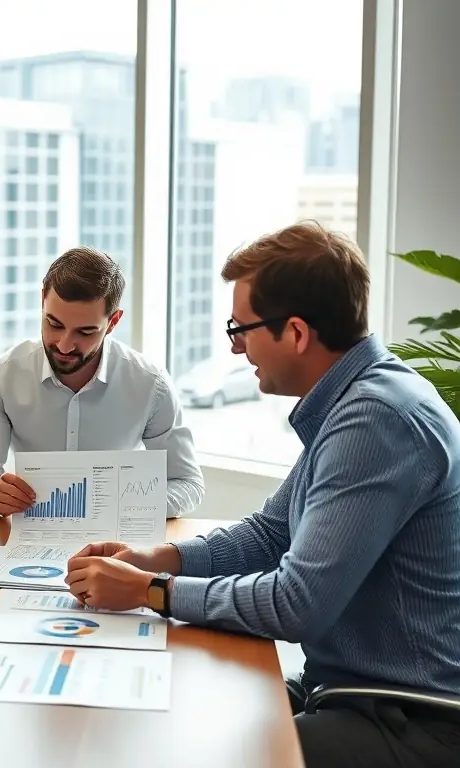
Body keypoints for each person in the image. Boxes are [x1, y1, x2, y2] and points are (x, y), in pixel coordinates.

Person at [64, 221, 460, 767]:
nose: (235, 347)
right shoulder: (357, 401)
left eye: (241, 328)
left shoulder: (377, 420)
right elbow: (271, 533)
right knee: (182, 714)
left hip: (410, 719)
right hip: (351, 692)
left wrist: (151, 590)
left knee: (200, 752)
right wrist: (160, 558)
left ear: (295, 333)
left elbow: (295, 605)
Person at [0, 246, 204, 519]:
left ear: (113, 322)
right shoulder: (2, 375)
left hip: (115, 544)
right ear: (42, 300)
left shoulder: (150, 384)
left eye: (85, 332)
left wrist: (126, 506)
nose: (64, 345)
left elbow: (188, 485)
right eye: (54, 324)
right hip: (29, 542)